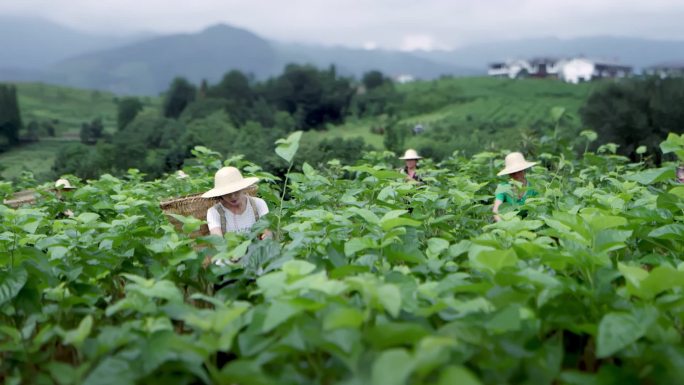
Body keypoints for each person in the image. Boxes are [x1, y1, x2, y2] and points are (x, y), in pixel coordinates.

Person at [201, 167, 271, 267]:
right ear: (220, 194)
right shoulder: (214, 212)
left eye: (236, 191)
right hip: (230, 255)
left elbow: (267, 231)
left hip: (256, 253)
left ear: (243, 188)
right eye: (227, 193)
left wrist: (266, 236)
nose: (233, 196)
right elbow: (218, 241)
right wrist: (233, 254)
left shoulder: (258, 204)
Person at [492, 152, 538, 222]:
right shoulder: (503, 187)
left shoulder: (533, 188)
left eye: (518, 171)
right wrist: (504, 225)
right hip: (508, 223)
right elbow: (496, 211)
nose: (516, 175)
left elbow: (538, 210)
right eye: (512, 172)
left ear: (523, 170)